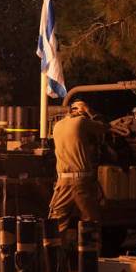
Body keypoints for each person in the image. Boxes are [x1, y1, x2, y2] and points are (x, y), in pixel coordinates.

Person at [49, 100, 109, 234]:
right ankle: (88, 253)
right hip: (81, 182)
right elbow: (104, 127)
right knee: (91, 223)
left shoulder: (57, 126)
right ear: (80, 111)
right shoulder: (81, 122)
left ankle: (53, 253)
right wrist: (89, 110)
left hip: (62, 182)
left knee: (57, 224)